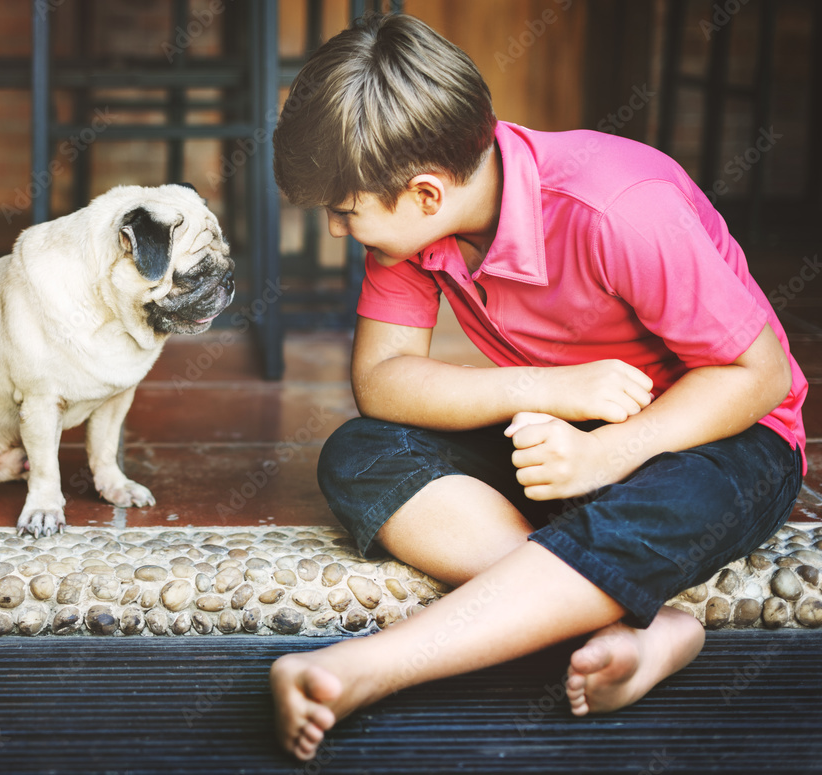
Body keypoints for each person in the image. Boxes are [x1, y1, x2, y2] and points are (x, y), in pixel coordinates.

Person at [268, 12, 807, 762]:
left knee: (681, 495)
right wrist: (558, 392)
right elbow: (382, 381)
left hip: (715, 435)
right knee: (361, 454)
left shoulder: (622, 208)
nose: (337, 228)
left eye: (345, 210)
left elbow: (761, 377)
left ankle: (360, 670)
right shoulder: (414, 227)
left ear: (426, 193)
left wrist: (610, 453)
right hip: (568, 432)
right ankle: (626, 622)